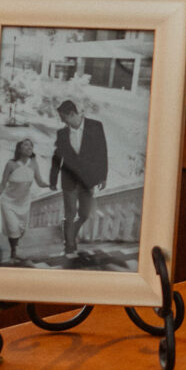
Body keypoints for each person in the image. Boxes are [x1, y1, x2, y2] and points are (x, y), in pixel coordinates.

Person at [49, 97, 109, 261]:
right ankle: (69, 246)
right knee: (70, 214)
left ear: (71, 114)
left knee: (84, 214)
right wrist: (53, 180)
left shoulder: (96, 126)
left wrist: (103, 177)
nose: (61, 121)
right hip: (68, 181)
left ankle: (69, 234)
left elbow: (102, 152)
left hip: (88, 180)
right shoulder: (62, 133)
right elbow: (57, 157)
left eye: (63, 117)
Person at [0, 136, 46, 263]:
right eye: (26, 145)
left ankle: (14, 252)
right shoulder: (11, 164)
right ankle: (14, 253)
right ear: (19, 148)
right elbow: (3, 184)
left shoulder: (34, 164)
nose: (29, 147)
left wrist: (51, 185)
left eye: (31, 145)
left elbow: (40, 182)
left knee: (20, 229)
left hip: (24, 202)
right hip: (8, 202)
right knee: (13, 228)